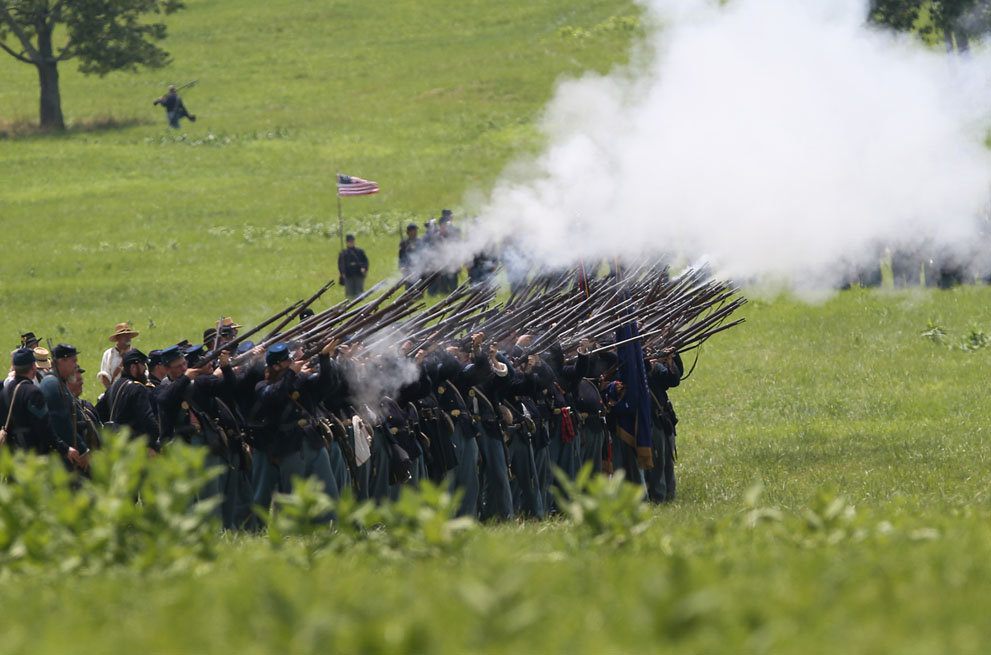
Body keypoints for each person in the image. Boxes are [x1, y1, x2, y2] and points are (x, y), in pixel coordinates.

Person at [0, 348, 83, 468]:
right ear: (33, 367)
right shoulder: (33, 392)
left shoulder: (4, 390)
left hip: (12, 455)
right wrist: (64, 449)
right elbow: (44, 427)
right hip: (33, 456)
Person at [97, 349, 161, 451]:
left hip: (116, 444)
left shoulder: (113, 387)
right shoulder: (138, 389)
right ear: (133, 367)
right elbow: (148, 420)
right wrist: (152, 443)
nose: (145, 368)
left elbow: (99, 413)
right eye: (142, 365)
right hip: (135, 446)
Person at [40, 343, 91, 470]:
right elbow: (62, 423)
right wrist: (82, 449)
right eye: (73, 361)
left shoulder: (58, 384)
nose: (75, 366)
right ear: (61, 361)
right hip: (66, 458)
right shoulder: (52, 385)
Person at [99, 322, 139, 390]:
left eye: (128, 335)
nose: (127, 337)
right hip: (114, 390)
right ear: (118, 338)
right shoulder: (108, 354)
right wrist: (111, 392)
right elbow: (104, 376)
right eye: (124, 335)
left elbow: (144, 374)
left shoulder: (136, 354)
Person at [337, 234, 369, 299]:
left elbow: (365, 261)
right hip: (348, 274)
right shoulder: (343, 253)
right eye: (350, 241)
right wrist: (342, 273)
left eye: (352, 241)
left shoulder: (359, 252)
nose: (351, 243)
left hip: (358, 273)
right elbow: (340, 264)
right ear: (347, 242)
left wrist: (364, 268)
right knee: (349, 293)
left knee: (359, 291)